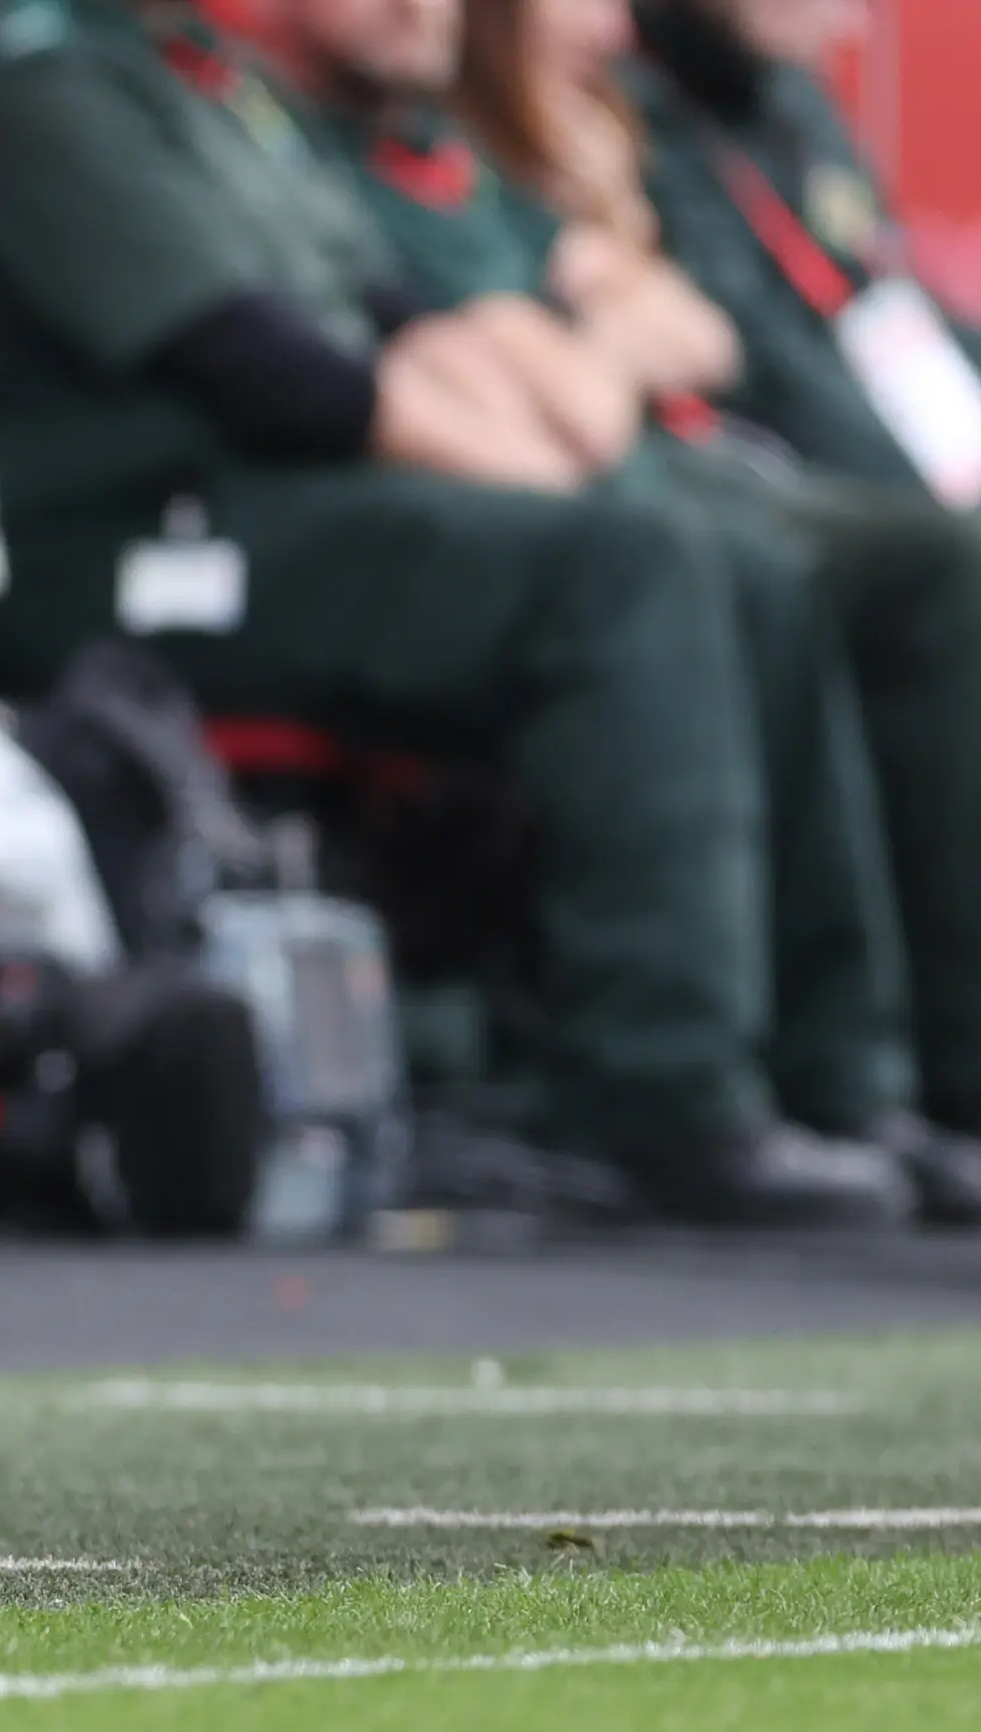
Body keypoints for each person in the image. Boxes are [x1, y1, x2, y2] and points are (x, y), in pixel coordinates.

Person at [0, 0, 910, 1228]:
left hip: (292, 508)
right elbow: (279, 376)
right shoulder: (46, 88)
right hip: (137, 549)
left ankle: (841, 1084)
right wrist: (557, 470)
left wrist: (542, 426)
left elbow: (401, 317)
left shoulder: (207, 79)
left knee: (744, 561)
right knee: (630, 562)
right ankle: (664, 1101)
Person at [253, 0, 981, 1222]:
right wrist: (588, 358)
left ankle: (863, 1083)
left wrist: (579, 350)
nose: (604, 25)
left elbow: (688, 327)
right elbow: (475, 379)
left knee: (846, 559)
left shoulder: (452, 149)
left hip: (602, 480)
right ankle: (676, 1096)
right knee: (683, 559)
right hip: (335, 531)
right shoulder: (271, 131)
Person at [625, 0, 981, 497]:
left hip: (884, 395)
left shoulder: (791, 89)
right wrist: (929, 485)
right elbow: (760, 359)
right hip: (772, 454)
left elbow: (877, 282)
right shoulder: (638, 102)